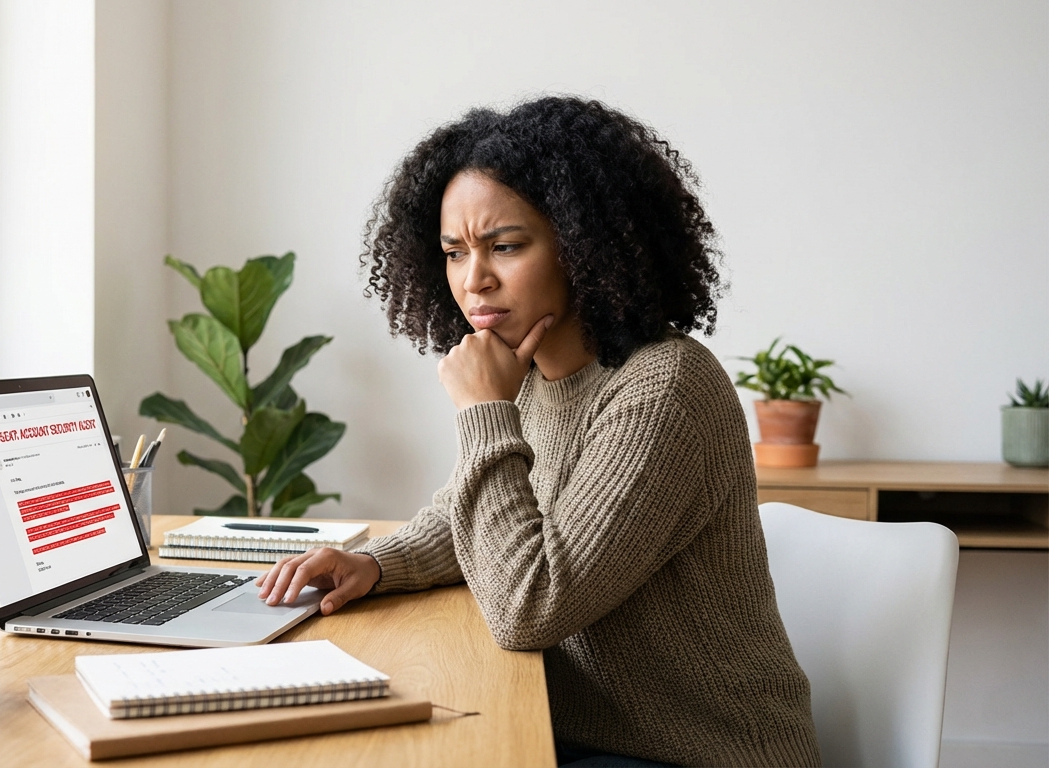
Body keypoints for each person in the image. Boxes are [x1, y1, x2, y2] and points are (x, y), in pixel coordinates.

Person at [254, 96, 821, 768]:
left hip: (698, 754)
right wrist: (376, 564)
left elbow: (529, 606)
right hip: (574, 733)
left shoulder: (663, 389)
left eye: (505, 246)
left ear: (585, 246)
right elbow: (475, 519)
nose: (474, 280)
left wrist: (482, 412)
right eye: (454, 252)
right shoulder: (531, 373)